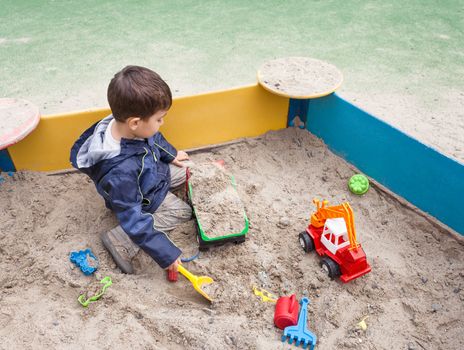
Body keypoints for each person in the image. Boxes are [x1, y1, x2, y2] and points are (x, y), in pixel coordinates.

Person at [70, 65, 192, 275]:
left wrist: (170, 154)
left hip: (152, 172)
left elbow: (154, 139)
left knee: (188, 168)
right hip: (141, 197)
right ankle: (120, 240)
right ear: (135, 122)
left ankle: (173, 180)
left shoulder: (130, 125)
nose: (162, 123)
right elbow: (132, 216)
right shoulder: (120, 172)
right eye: (159, 119)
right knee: (183, 211)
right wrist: (166, 253)